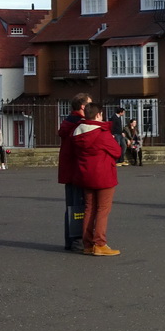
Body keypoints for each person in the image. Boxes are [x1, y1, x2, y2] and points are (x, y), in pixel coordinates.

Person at [72, 103, 123, 256]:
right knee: (102, 210)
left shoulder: (77, 132)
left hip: (86, 174)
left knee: (89, 209)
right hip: (103, 175)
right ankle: (99, 243)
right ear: (98, 115)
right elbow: (117, 151)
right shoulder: (101, 133)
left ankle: (87, 243)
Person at [58, 93, 91, 251]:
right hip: (77, 169)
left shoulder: (69, 121)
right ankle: (77, 240)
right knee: (79, 206)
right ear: (83, 106)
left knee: (72, 205)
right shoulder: (79, 123)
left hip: (69, 169)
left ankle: (71, 240)